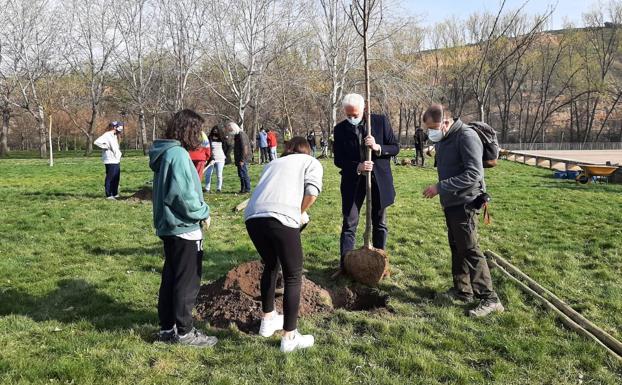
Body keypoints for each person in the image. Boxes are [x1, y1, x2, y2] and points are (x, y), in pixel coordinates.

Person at [421, 103, 504, 317]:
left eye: (433, 127)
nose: (431, 132)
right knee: (456, 246)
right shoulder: (446, 138)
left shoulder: (466, 137)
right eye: (428, 128)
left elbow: (473, 174)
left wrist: (440, 187)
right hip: (451, 202)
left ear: (446, 122)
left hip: (465, 202)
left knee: (470, 249)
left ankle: (489, 298)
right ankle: (462, 290)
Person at [244, 136, 323, 353]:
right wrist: (299, 212)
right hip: (282, 216)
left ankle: (268, 320)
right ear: (307, 151)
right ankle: (290, 337)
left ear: (288, 149)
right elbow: (312, 192)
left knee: (271, 264)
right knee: (293, 275)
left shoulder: (272, 163)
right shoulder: (311, 162)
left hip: (252, 217)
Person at [148, 109, 218, 347]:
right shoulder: (177, 154)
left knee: (171, 278)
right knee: (186, 282)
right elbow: (182, 196)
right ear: (188, 129)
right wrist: (203, 212)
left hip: (170, 226)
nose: (200, 135)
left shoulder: (167, 152)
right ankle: (185, 332)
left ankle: (167, 329)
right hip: (183, 227)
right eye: (197, 130)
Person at [333, 93, 400, 272]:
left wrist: (378, 147)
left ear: (364, 109)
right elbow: (338, 160)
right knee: (349, 222)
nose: (352, 118)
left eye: (355, 115)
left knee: (380, 223)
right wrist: (358, 166)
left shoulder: (380, 122)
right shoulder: (340, 129)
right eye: (348, 115)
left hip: (379, 180)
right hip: (353, 182)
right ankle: (345, 265)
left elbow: (395, 147)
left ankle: (379, 264)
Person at [94, 121, 124, 200]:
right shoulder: (107, 135)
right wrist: (105, 146)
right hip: (110, 160)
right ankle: (109, 194)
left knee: (116, 177)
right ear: (115, 127)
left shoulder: (115, 136)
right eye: (119, 126)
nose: (121, 128)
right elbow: (96, 142)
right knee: (110, 177)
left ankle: (115, 193)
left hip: (116, 159)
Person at [226, 122, 252, 193]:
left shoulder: (241, 135)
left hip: (242, 158)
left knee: (244, 173)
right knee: (240, 174)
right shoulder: (237, 135)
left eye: (231, 130)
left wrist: (242, 160)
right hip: (239, 158)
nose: (230, 132)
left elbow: (245, 148)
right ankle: (243, 189)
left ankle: (247, 189)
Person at [205, 125, 226, 193]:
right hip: (211, 159)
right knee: (208, 174)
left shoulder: (222, 138)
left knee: (219, 174)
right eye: (214, 129)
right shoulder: (209, 138)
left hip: (220, 159)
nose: (215, 131)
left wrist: (226, 155)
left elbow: (228, 146)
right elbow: (207, 148)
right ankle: (207, 188)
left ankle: (218, 188)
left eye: (216, 130)